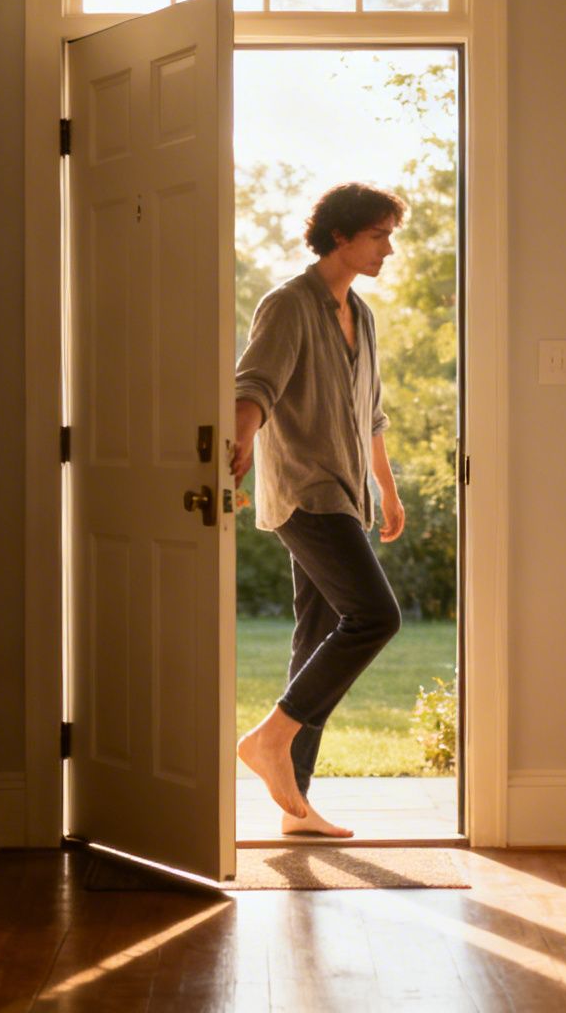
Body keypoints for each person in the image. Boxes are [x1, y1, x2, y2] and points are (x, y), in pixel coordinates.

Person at [232, 182, 409, 839]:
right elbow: (254, 385)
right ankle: (269, 740)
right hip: (305, 493)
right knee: (375, 616)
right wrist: (242, 438)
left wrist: (386, 489)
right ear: (341, 235)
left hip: (347, 493)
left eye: (389, 236)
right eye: (378, 235)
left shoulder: (359, 316)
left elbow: (372, 416)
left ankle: (294, 807)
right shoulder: (288, 305)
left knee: (316, 637)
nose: (387, 249)